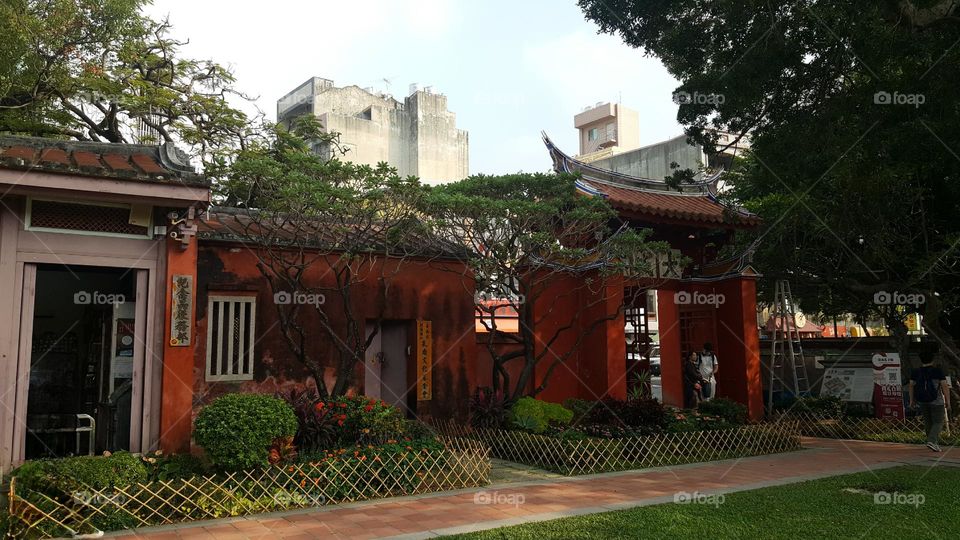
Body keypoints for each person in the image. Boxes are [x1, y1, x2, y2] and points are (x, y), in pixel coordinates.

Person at [909, 351, 951, 452]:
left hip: (922, 400)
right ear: (933, 360)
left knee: (928, 422)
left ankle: (932, 442)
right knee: (938, 422)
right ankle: (932, 441)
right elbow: (944, 386)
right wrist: (948, 401)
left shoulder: (916, 372)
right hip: (937, 401)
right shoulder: (937, 371)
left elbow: (911, 386)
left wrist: (912, 400)